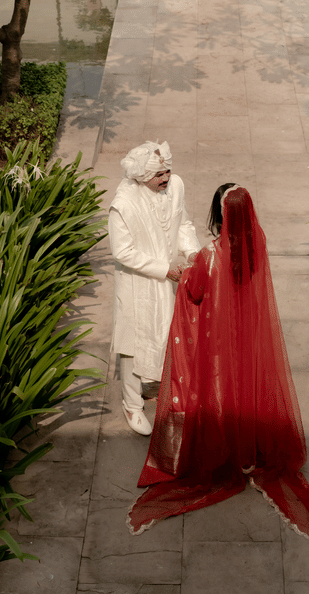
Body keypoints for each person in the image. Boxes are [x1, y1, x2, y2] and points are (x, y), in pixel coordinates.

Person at [126, 184, 309, 541]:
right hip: (248, 334)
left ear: (220, 214)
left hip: (218, 340)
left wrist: (186, 269)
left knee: (221, 389)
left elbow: (195, 291)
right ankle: (249, 450)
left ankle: (225, 452)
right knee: (247, 386)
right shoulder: (256, 246)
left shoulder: (210, 256)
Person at [108, 141, 200, 436]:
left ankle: (155, 384)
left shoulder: (176, 187)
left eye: (168, 171)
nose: (166, 179)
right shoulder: (123, 203)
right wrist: (164, 270)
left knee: (165, 334)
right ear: (140, 177)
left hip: (168, 282)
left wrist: (191, 253)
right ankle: (132, 405)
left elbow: (183, 222)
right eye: (159, 175)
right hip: (138, 283)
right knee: (133, 344)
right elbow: (122, 252)